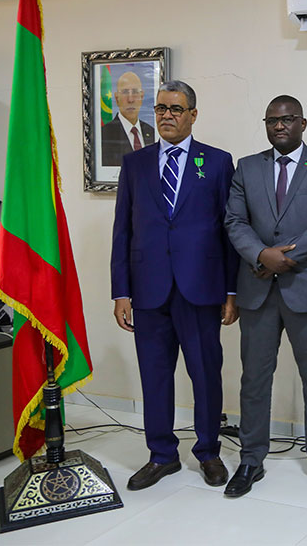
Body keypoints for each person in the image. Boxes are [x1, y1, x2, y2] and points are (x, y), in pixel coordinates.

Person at [109, 80, 239, 491]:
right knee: (155, 376)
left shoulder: (216, 162)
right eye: (161, 108)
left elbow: (230, 230)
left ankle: (208, 451)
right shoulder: (135, 164)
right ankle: (162, 455)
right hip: (148, 290)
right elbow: (123, 231)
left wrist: (231, 291)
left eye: (176, 109)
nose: (167, 115)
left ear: (193, 115)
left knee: (205, 374)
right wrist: (121, 291)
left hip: (201, 289)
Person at [223, 94, 307, 499]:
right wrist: (261, 254)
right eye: (272, 120)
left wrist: (281, 256)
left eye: (288, 119)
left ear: (302, 123)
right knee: (254, 380)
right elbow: (235, 220)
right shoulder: (247, 167)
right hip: (257, 290)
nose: (279, 126)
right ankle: (250, 459)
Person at [101, 71, 156, 166]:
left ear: (142, 97)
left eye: (135, 92)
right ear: (117, 98)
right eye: (125, 92)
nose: (130, 99)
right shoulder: (104, 136)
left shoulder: (152, 132)